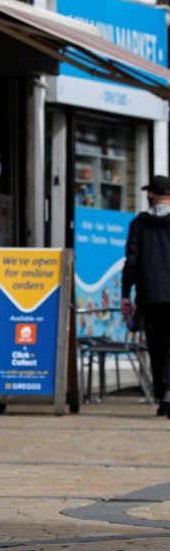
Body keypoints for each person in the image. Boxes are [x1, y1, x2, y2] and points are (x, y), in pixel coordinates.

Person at [121, 175, 170, 418]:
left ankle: (163, 396)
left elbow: (131, 261)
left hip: (150, 294)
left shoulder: (138, 224)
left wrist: (125, 293)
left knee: (156, 346)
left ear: (151, 194)